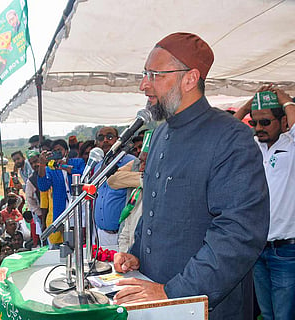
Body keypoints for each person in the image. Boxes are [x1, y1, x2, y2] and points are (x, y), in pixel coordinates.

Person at [113, 32, 269, 320]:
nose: (143, 85)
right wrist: (138, 254)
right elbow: (155, 209)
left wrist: (174, 293)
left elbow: (238, 234)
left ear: (189, 79)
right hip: (155, 299)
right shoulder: (159, 133)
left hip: (203, 307)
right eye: (144, 74)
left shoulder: (231, 138)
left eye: (154, 75)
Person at [234, 86, 295, 320]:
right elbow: (229, 130)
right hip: (258, 248)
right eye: (255, 123)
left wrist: (284, 99)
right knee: (267, 314)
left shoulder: (290, 146)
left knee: (284, 316)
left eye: (266, 122)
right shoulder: (252, 148)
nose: (259, 128)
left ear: (282, 122)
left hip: (286, 250)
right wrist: (250, 105)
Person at [93, 126, 136, 246]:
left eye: (110, 137)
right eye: (101, 138)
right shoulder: (97, 166)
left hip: (123, 234)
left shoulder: (131, 162)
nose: (105, 140)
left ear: (118, 140)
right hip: (101, 233)